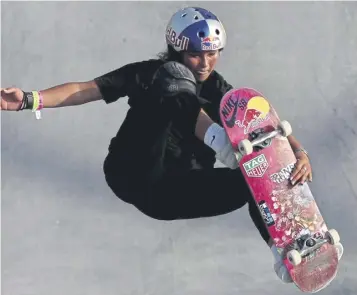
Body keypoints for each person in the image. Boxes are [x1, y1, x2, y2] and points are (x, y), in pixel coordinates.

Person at [1, 6, 342, 283]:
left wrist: (297, 152)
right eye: (196, 55)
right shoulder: (150, 72)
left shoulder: (220, 90)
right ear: (179, 47)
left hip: (175, 192)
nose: (205, 64)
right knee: (173, 79)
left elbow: (262, 123)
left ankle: (288, 250)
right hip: (134, 171)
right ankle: (219, 141)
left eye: (212, 54)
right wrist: (31, 100)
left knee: (256, 178)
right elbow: (87, 89)